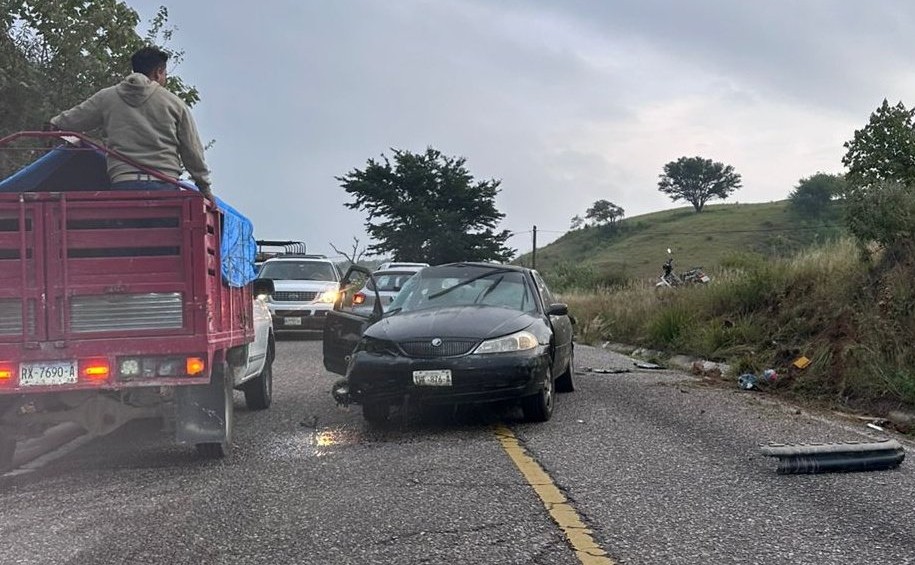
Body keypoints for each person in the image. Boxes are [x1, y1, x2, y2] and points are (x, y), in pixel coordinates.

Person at [48, 46, 213, 198]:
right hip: (165, 186)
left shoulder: (107, 97)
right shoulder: (174, 104)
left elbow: (75, 118)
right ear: (158, 72)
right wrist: (204, 188)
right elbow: (193, 152)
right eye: (165, 74)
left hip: (123, 184)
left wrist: (55, 123)